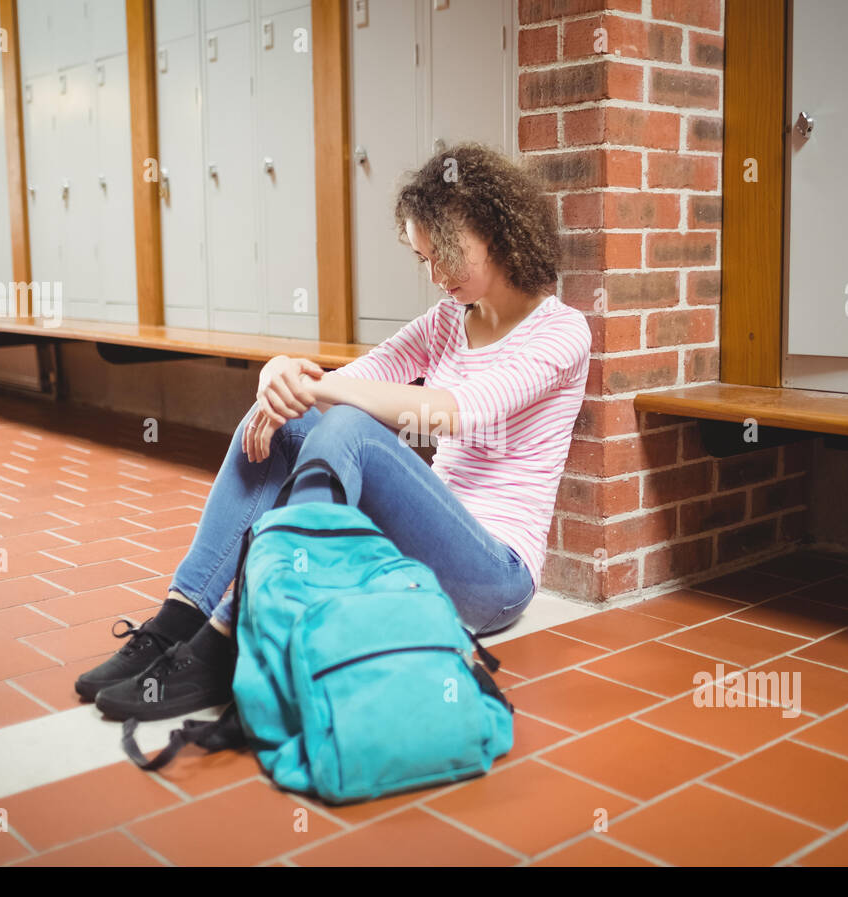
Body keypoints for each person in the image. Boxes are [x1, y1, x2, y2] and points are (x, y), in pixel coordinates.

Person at [75, 142, 593, 721]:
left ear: (497, 231)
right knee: (288, 419)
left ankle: (233, 638)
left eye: (445, 252)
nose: (435, 273)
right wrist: (281, 375)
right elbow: (359, 376)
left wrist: (314, 388)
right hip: (418, 554)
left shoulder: (563, 332)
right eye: (424, 257)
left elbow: (454, 410)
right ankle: (179, 620)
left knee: (346, 422)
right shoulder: (449, 320)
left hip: (493, 577)